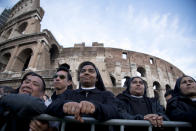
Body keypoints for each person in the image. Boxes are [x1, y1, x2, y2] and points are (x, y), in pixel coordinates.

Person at [46, 61, 120, 131]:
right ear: (79, 77)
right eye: (83, 71)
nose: (86, 73)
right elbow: (51, 107)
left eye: (91, 71)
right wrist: (64, 105)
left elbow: (115, 110)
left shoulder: (106, 94)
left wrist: (95, 107)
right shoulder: (68, 93)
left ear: (97, 78)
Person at [29, 66, 73, 131]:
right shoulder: (48, 101)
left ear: (69, 82)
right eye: (55, 76)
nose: (57, 78)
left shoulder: (72, 99)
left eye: (62, 77)